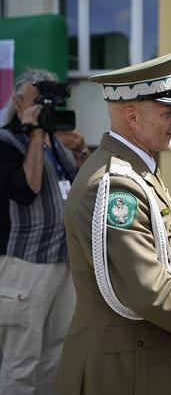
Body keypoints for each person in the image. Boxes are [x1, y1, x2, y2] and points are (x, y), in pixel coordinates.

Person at [55, 51, 171, 395]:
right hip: (120, 369)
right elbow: (146, 287)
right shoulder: (114, 184)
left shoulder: (134, 169)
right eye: (168, 112)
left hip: (135, 355)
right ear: (131, 116)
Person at [0, 69, 89, 394]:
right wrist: (35, 135)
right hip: (25, 265)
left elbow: (85, 191)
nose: (43, 108)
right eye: (36, 101)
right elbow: (27, 189)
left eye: (48, 102)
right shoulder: (6, 142)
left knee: (55, 354)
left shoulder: (57, 140)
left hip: (63, 261)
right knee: (21, 360)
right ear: (16, 102)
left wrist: (80, 150)